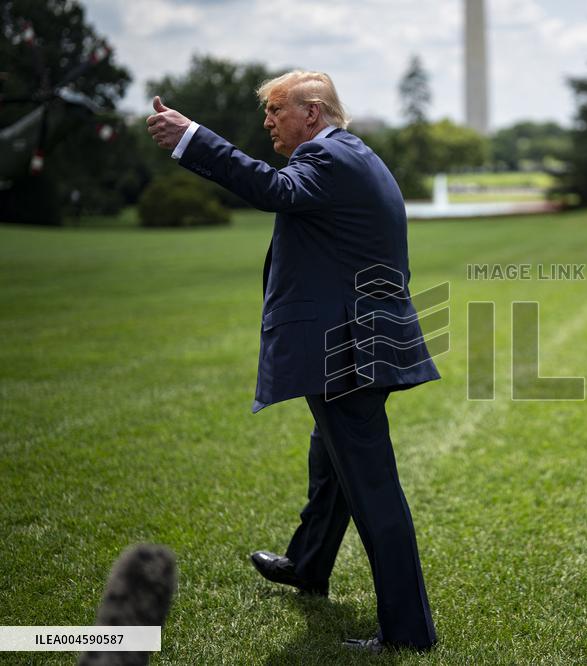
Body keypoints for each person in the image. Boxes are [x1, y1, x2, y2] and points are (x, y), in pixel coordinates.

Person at [146, 70, 440, 653]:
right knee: (331, 466)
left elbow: (273, 190)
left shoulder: (326, 158)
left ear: (312, 112)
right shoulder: (353, 155)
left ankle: (408, 633)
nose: (267, 122)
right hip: (360, 344)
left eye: (275, 109)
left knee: (373, 490)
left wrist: (192, 138)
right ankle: (308, 565)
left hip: (346, 350)